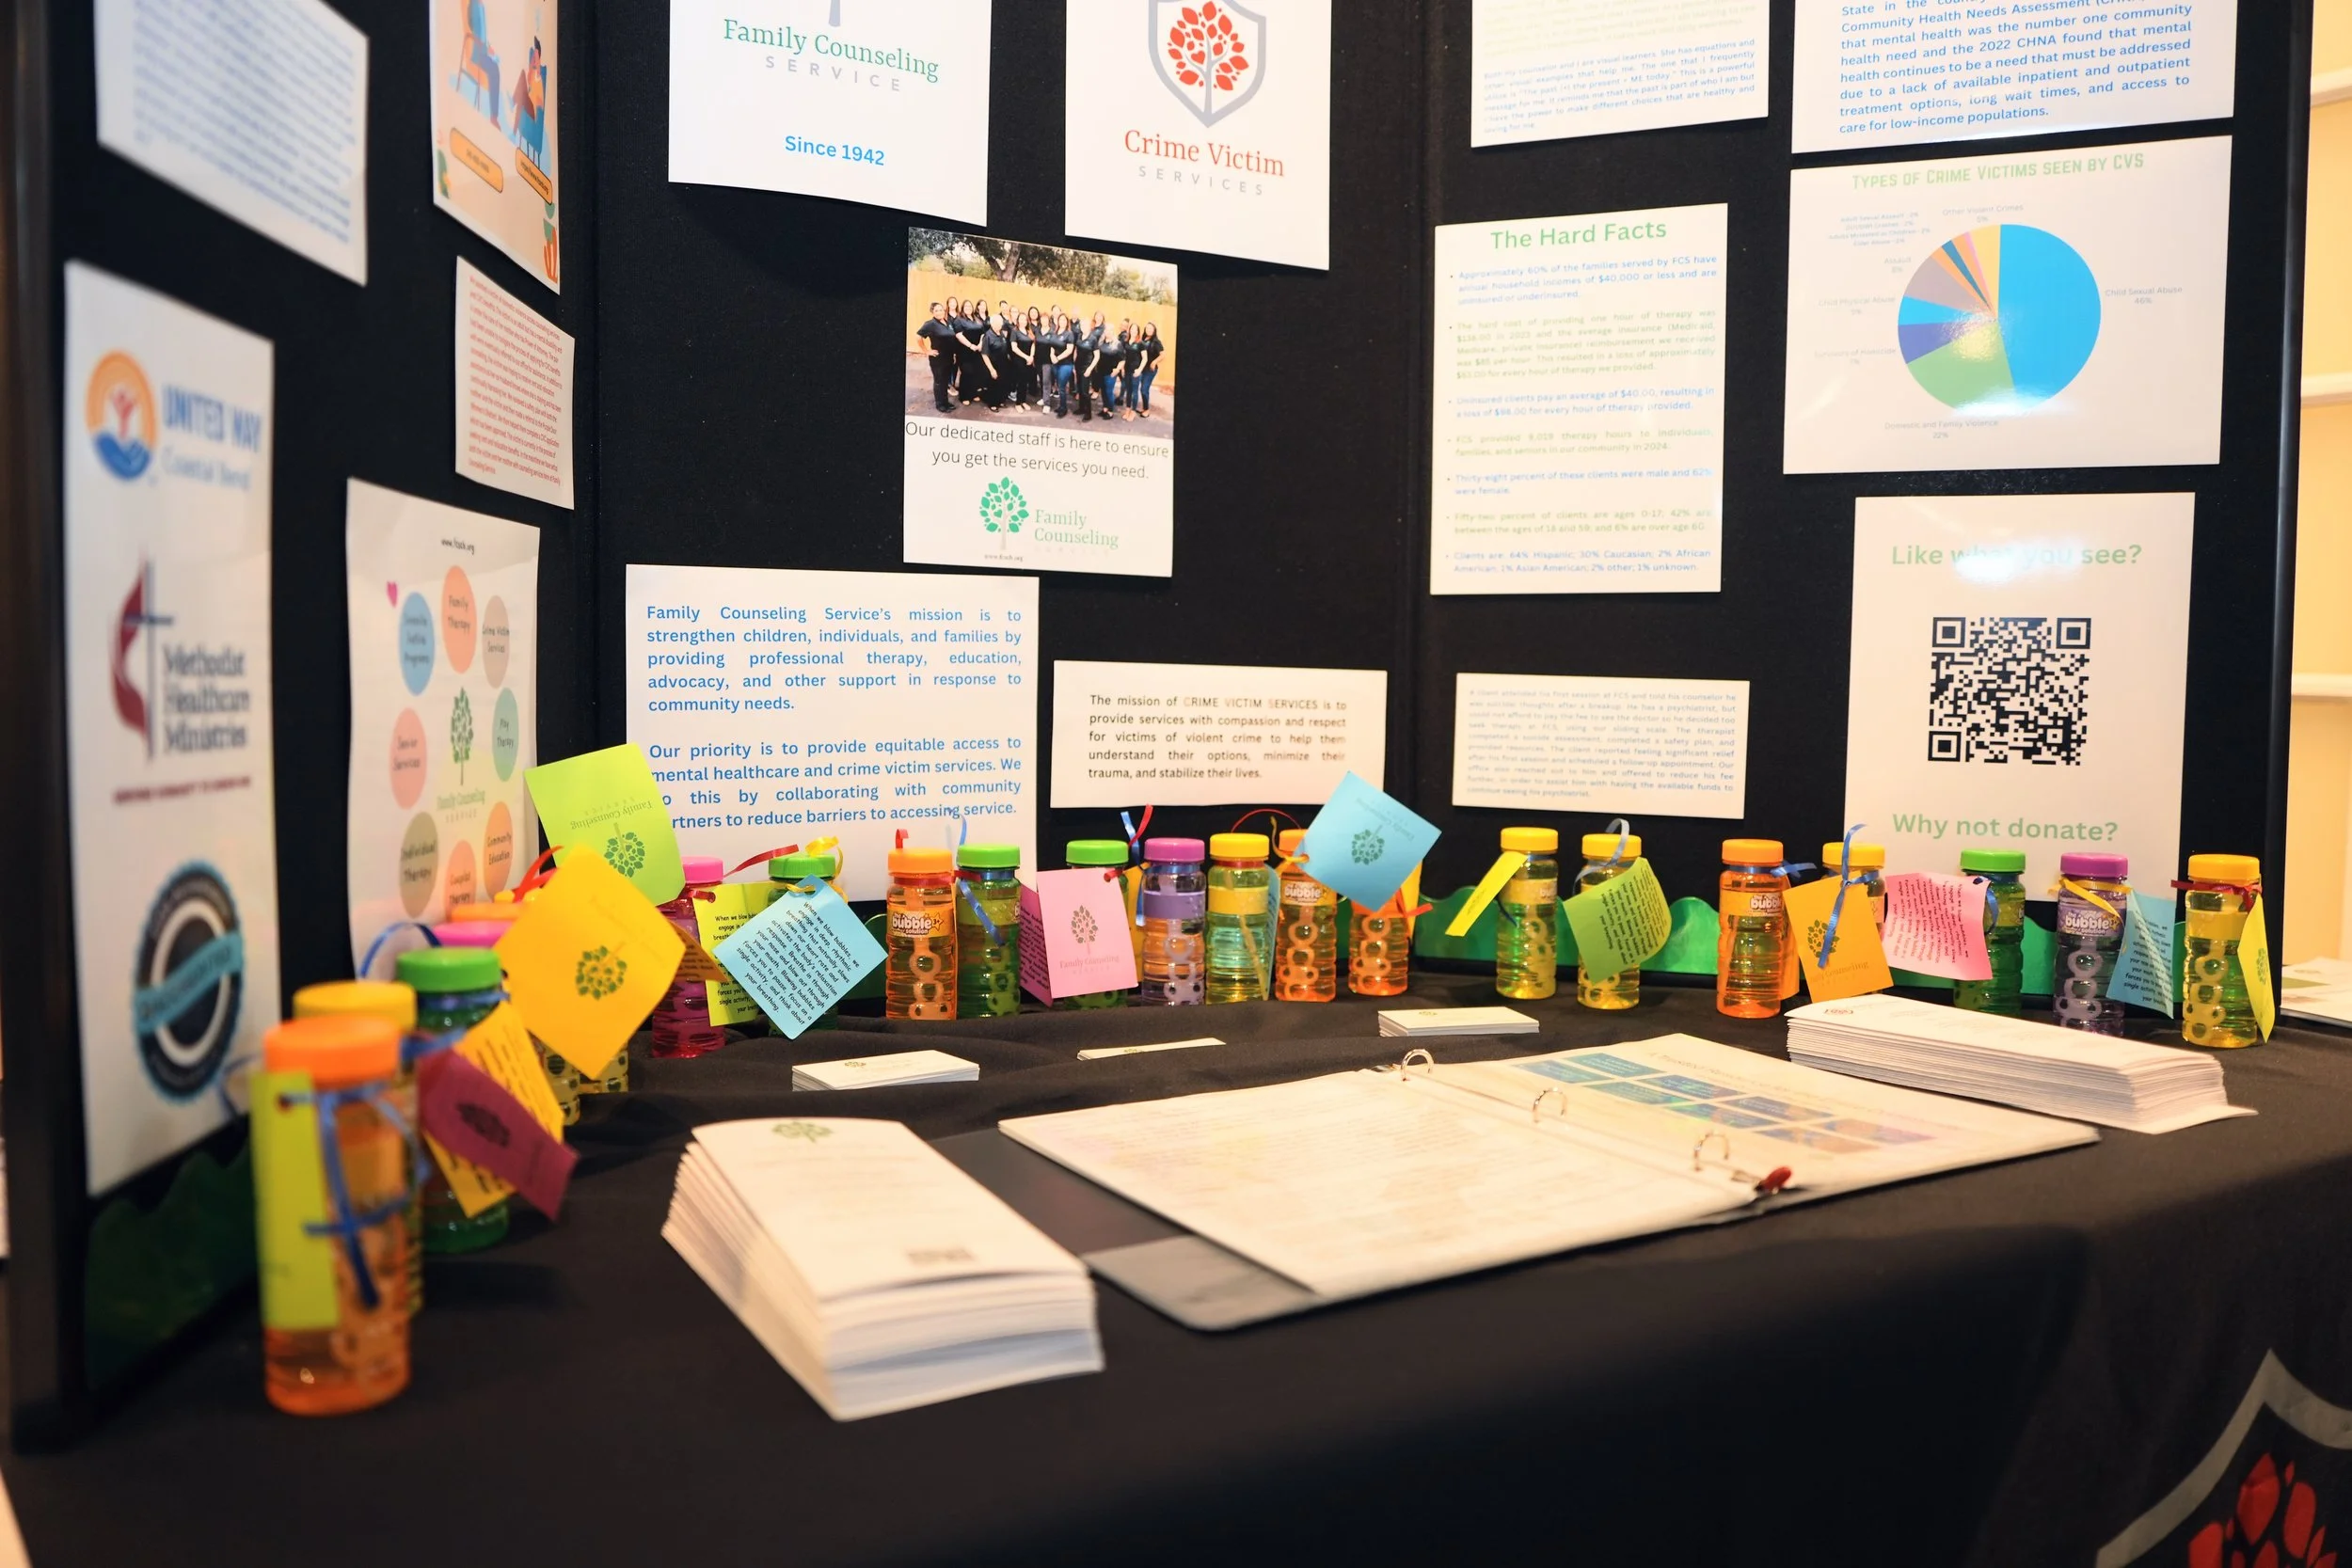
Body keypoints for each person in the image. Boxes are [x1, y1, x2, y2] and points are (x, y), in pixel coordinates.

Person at [915, 301, 959, 413]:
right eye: (936, 310)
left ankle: (945, 402)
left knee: (945, 381)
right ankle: (940, 404)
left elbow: (951, 339)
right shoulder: (930, 324)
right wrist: (926, 351)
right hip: (938, 359)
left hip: (949, 357)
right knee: (939, 381)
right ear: (932, 312)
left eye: (941, 310)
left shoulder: (948, 322)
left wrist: (954, 354)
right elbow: (918, 336)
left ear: (944, 311)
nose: (939, 312)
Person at [952, 298, 988, 406]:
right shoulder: (959, 320)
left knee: (976, 372)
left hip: (977, 350)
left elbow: (983, 333)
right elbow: (959, 335)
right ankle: (964, 396)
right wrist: (970, 345)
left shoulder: (976, 319)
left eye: (970, 306)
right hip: (965, 351)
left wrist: (980, 344)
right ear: (963, 308)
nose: (968, 308)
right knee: (967, 373)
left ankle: (973, 393)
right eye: (966, 306)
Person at [1044, 309, 1075, 417]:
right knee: (1058, 385)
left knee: (1062, 387)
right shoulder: (1055, 332)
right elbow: (1052, 345)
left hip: (1065, 364)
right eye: (1060, 320)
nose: (1062, 321)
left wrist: (1057, 358)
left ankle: (1063, 408)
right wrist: (1052, 355)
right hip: (1055, 363)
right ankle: (1061, 406)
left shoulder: (1069, 334)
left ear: (1067, 322)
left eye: (1064, 320)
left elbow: (1069, 350)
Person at [1132, 323, 1165, 418]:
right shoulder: (1143, 339)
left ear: (1154, 330)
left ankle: (1146, 410)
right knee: (1142, 389)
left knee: (1144, 389)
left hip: (1150, 370)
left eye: (1151, 328)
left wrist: (1154, 362)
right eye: (1147, 328)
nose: (1149, 330)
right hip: (1142, 368)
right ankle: (1144, 408)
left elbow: (1163, 355)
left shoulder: (1156, 342)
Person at [979, 313, 1010, 408]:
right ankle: (992, 404)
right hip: (993, 364)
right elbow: (984, 354)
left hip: (1003, 364)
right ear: (992, 324)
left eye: (1000, 323)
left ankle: (1000, 400)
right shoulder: (987, 336)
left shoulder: (1001, 333)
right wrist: (992, 369)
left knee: (1002, 383)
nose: (999, 325)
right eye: (996, 323)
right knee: (993, 384)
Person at [1007, 309, 1035, 408]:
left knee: (1025, 381)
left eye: (1025, 319)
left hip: (1028, 360)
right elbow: (1014, 348)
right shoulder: (1015, 331)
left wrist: (1031, 356)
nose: (1023, 321)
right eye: (1021, 319)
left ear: (1027, 321)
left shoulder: (1029, 331)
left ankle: (1023, 401)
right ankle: (1018, 403)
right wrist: (1026, 357)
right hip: (1019, 360)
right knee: (1020, 381)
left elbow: (1033, 344)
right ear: (1018, 320)